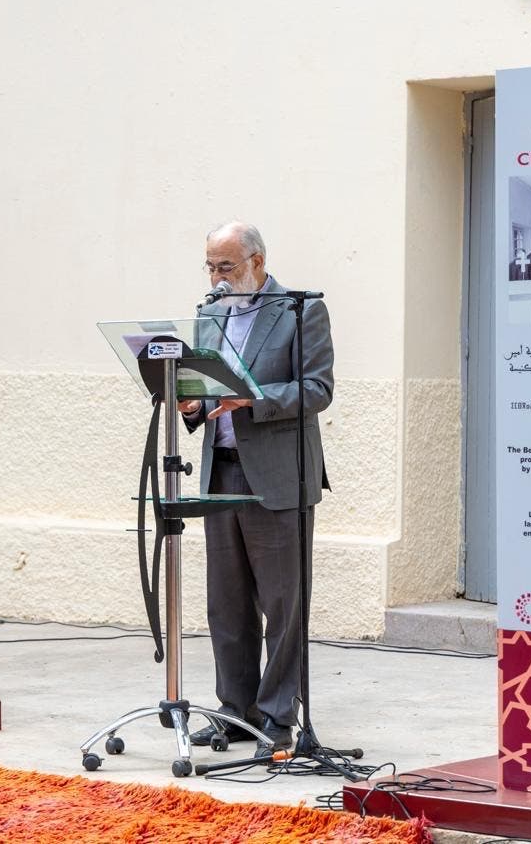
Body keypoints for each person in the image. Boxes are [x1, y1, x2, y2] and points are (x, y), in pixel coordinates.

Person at [177, 221, 334, 756]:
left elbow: (318, 389)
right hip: (220, 469)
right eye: (211, 267)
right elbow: (200, 389)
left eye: (227, 267)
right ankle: (232, 711)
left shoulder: (300, 309)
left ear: (258, 263)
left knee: (282, 603)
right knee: (227, 603)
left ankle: (276, 718)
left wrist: (253, 399)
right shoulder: (209, 313)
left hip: (277, 475)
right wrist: (192, 405)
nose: (218, 278)